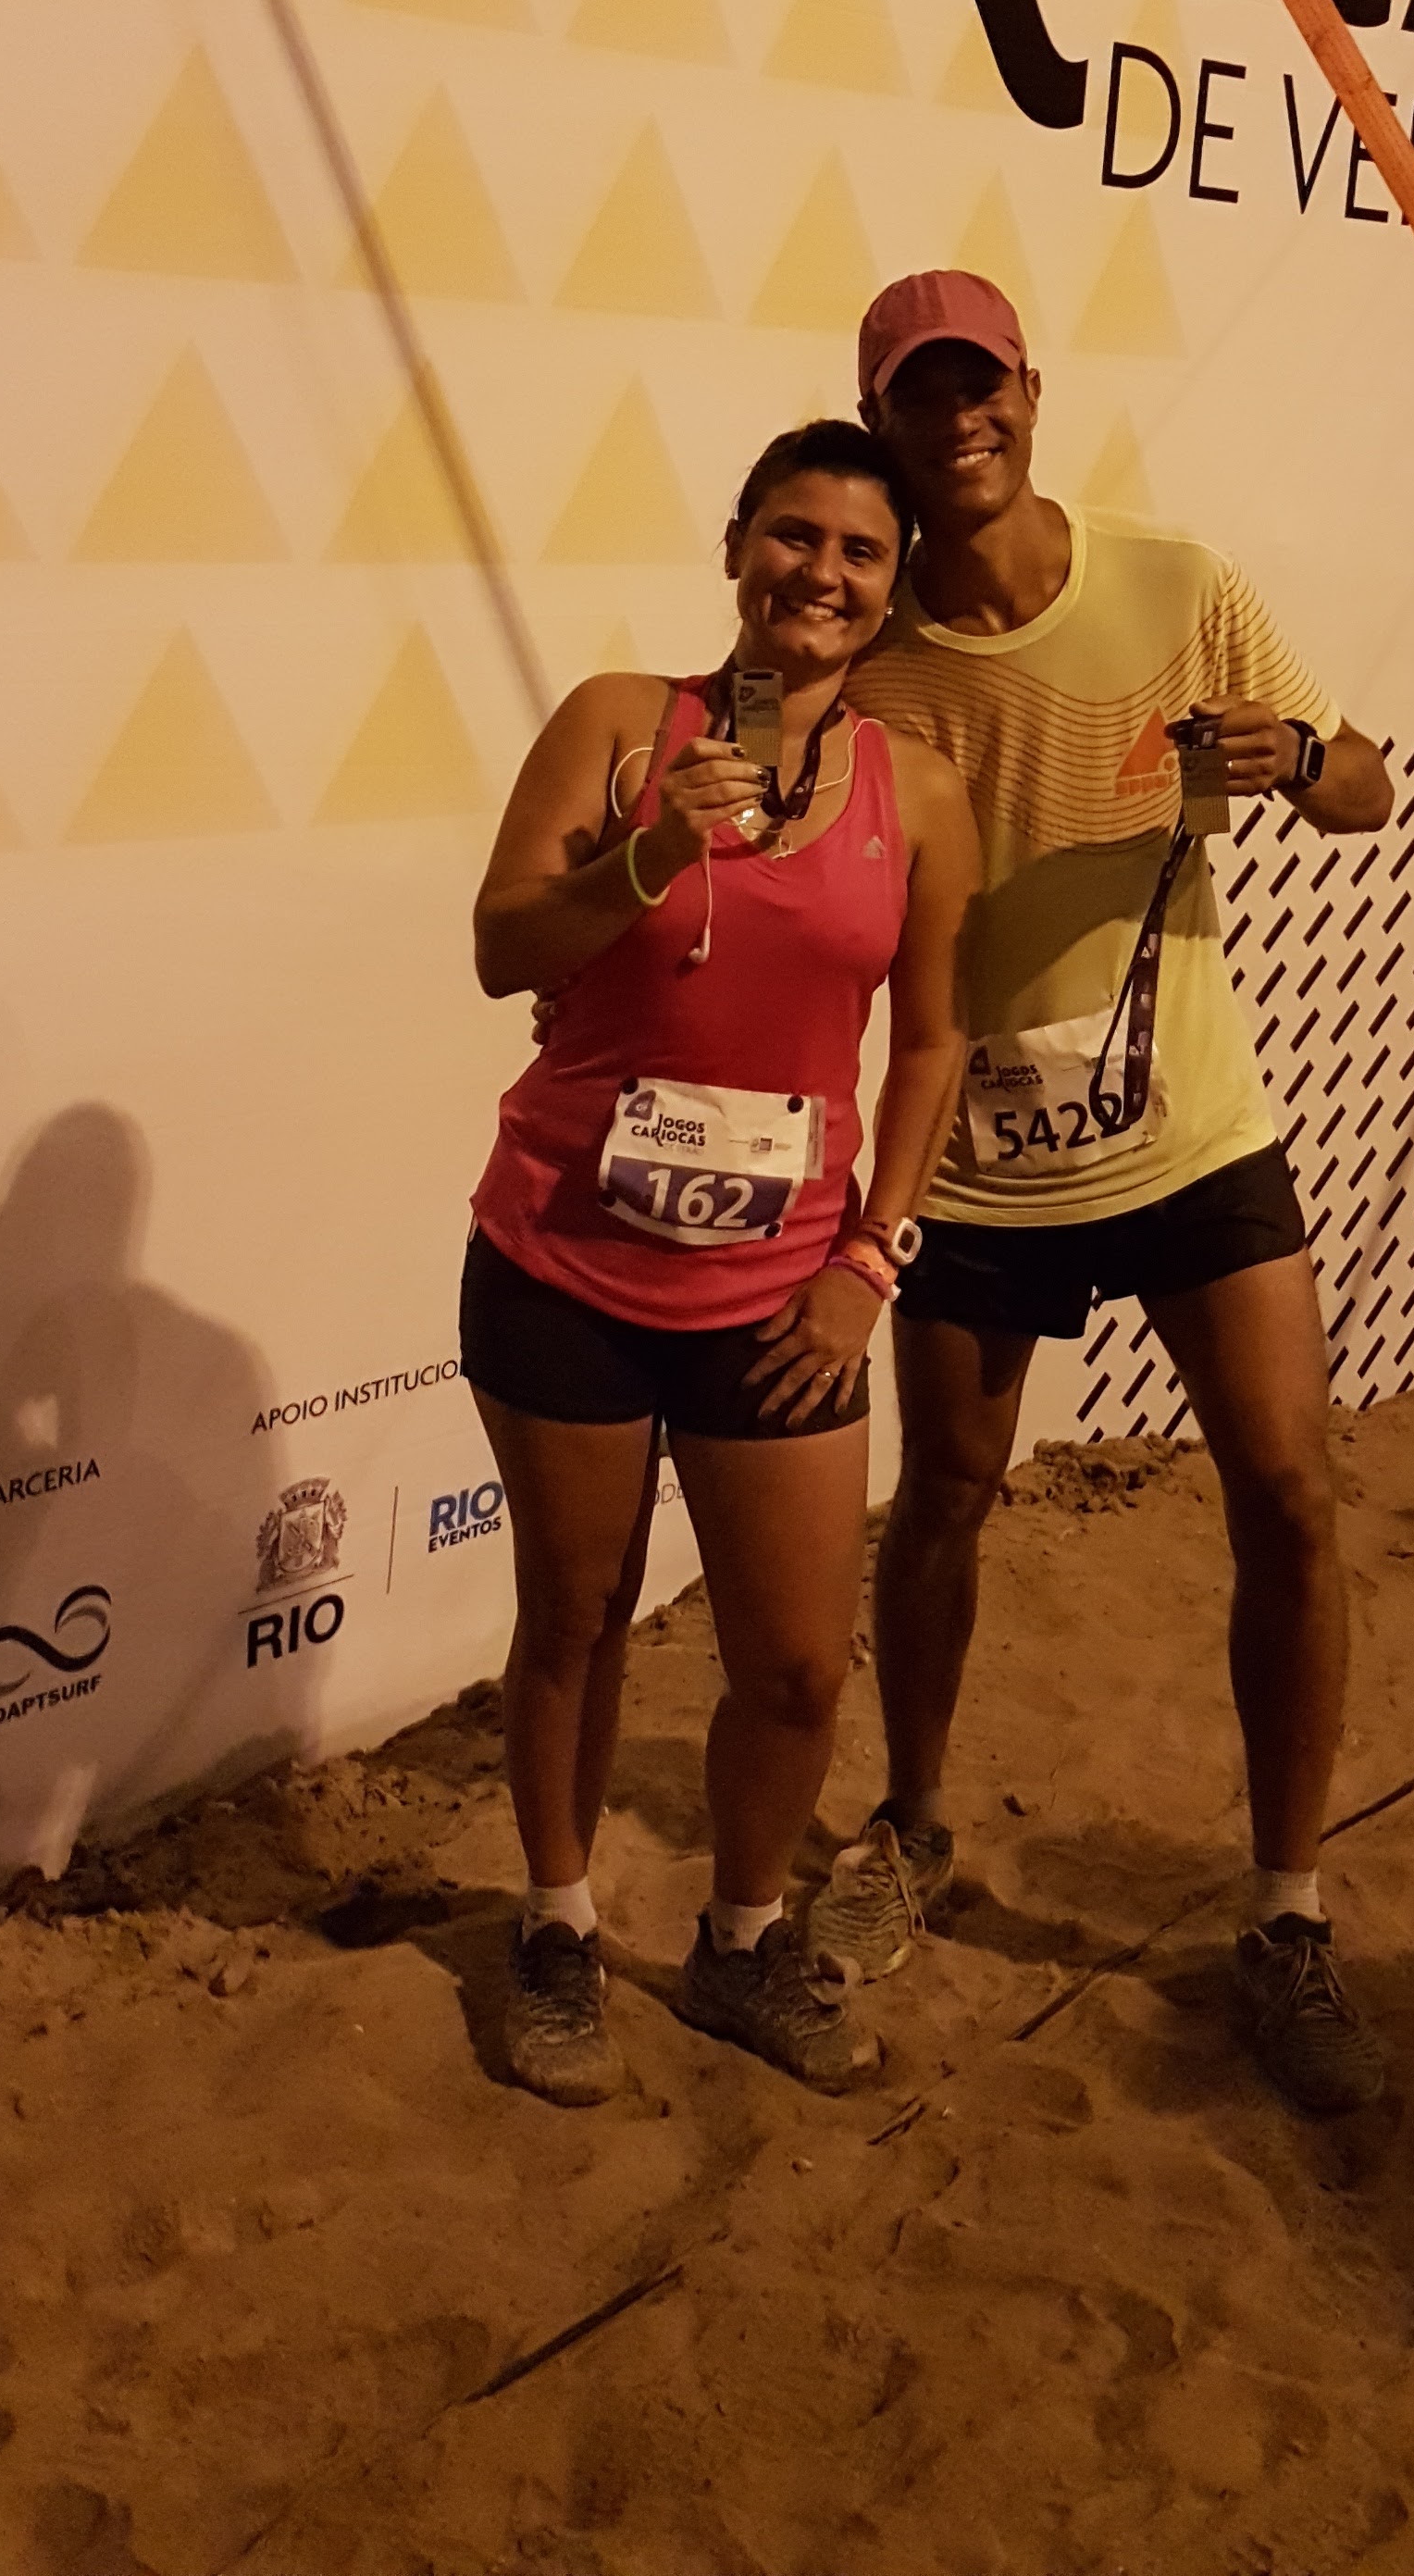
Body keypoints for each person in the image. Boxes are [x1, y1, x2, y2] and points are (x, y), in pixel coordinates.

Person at [805, 271, 1396, 2114]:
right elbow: (773, 851)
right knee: (948, 1497)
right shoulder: (866, 653)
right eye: (923, 394)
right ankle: (912, 1825)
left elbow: (1368, 786)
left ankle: (1286, 1910)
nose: (959, 417)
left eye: (981, 383)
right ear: (885, 424)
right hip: (981, 1163)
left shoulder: (1173, 583)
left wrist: (1297, 761)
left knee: (1289, 1492)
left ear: (1031, 394)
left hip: (1192, 1135)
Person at [465, 420, 977, 2103]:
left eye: (859, 552)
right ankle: (556, 1929)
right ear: (739, 545)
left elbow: (932, 1042)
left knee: (798, 1664)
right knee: (575, 1618)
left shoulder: (921, 792)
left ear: (892, 590)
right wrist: (648, 855)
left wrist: (871, 1258)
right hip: (564, 1256)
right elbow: (502, 948)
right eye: (792, 535)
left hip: (782, 1294)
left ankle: (740, 1942)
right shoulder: (622, 725)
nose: (819, 573)